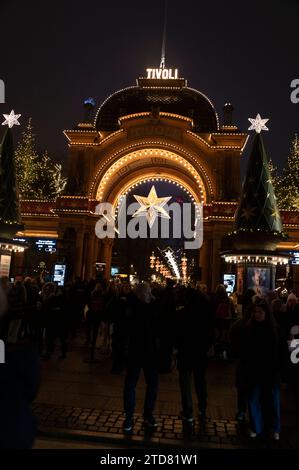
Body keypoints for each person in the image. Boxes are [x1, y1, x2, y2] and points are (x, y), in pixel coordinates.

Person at [239, 299, 286, 440]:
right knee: (254, 399)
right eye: (255, 312)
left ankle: (274, 428)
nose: (257, 315)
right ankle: (257, 426)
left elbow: (282, 351)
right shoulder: (250, 329)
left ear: (266, 313)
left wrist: (279, 369)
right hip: (255, 371)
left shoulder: (275, 330)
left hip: (271, 371)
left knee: (273, 400)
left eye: (260, 312)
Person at [175, 287, 214, 433]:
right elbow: (210, 335)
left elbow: (176, 335)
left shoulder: (181, 314)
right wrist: (205, 347)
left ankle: (188, 411)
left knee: (185, 383)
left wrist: (178, 347)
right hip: (200, 354)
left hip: (185, 353)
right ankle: (202, 408)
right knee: (200, 381)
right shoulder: (205, 315)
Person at [122, 283, 159, 433]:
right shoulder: (152, 307)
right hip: (146, 352)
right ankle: (147, 414)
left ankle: (130, 417)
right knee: (151, 385)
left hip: (137, 351)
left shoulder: (130, 306)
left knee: (131, 385)